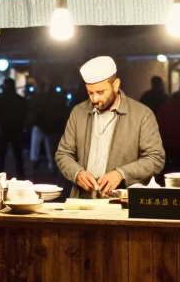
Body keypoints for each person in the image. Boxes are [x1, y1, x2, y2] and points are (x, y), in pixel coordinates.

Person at [55, 56, 165, 198]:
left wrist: (121, 173)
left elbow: (155, 158)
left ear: (116, 84)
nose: (94, 99)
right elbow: (63, 154)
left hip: (122, 201)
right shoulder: (78, 112)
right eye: (90, 93)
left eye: (101, 92)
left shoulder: (142, 114)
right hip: (83, 200)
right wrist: (77, 173)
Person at [27, 78, 67, 174]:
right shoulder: (49, 97)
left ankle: (46, 168)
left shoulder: (39, 97)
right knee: (46, 149)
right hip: (46, 126)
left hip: (46, 126)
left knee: (41, 149)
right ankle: (49, 168)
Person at [0, 77, 28, 178]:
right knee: (17, 154)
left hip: (4, 129)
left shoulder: (0, 99)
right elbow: (24, 114)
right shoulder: (19, 100)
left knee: (1, 154)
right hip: (16, 129)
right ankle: (21, 175)